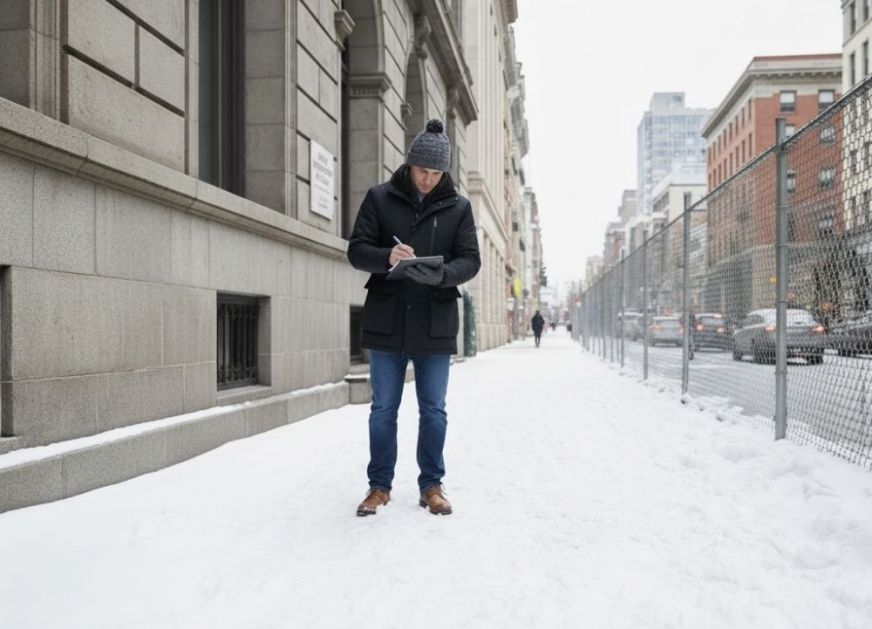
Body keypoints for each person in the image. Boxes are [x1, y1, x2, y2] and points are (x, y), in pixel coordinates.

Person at [347, 119, 481, 517]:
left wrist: (442, 274)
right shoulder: (379, 198)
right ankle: (378, 486)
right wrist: (385, 256)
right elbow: (356, 250)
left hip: (434, 322)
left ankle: (431, 485)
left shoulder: (459, 207)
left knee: (434, 410)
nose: (428, 179)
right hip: (387, 319)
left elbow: (471, 260)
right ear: (409, 165)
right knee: (383, 409)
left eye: (437, 172)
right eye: (423, 170)